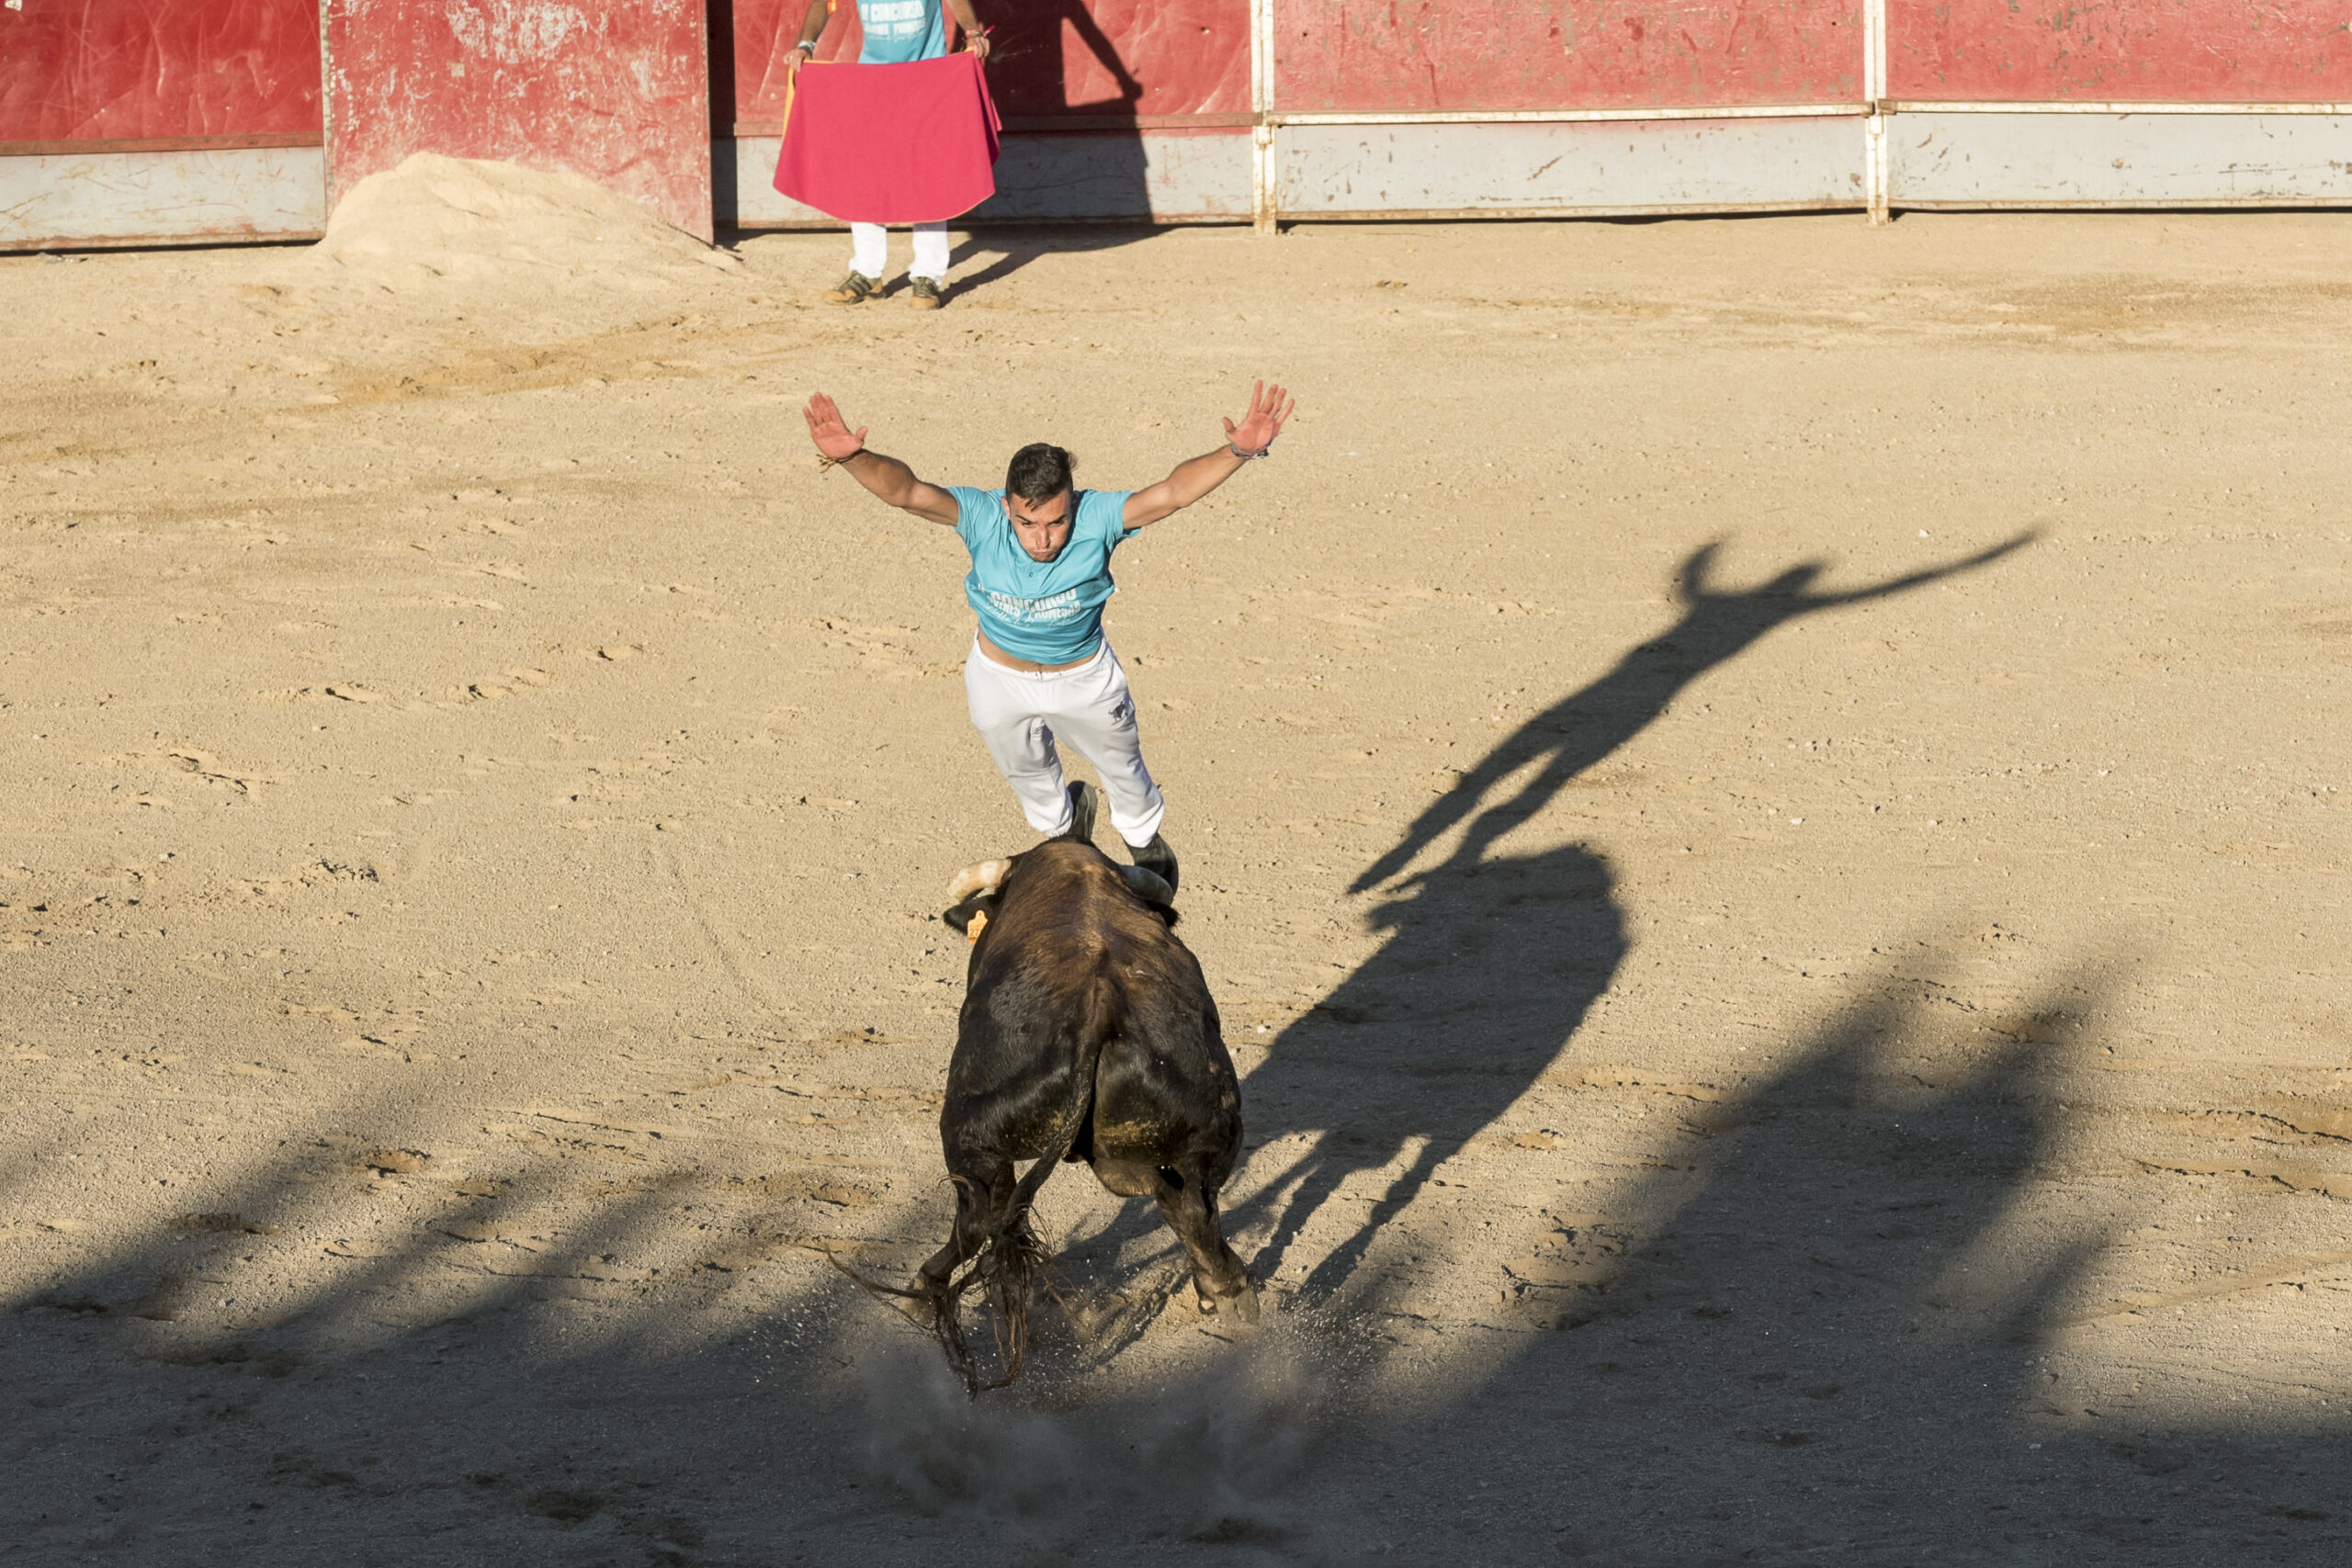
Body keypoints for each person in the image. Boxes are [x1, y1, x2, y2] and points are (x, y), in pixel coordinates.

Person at [800, 382, 1297, 891]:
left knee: (1122, 765)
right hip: (999, 677)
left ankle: (1143, 839)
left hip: (1082, 678)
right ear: (1008, 506)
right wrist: (853, 458)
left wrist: (1238, 451)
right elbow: (906, 492)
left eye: (1057, 521)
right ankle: (1063, 829)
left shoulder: (1100, 516)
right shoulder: (980, 514)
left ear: (1073, 505)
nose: (1043, 538)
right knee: (1027, 772)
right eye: (1027, 522)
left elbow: (1172, 493)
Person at [786, 0, 992, 310]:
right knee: (866, 174)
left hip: (927, 80)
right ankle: (867, 274)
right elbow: (823, 4)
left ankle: (928, 277)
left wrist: (973, 31)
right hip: (874, 83)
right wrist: (805, 44)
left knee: (928, 175)